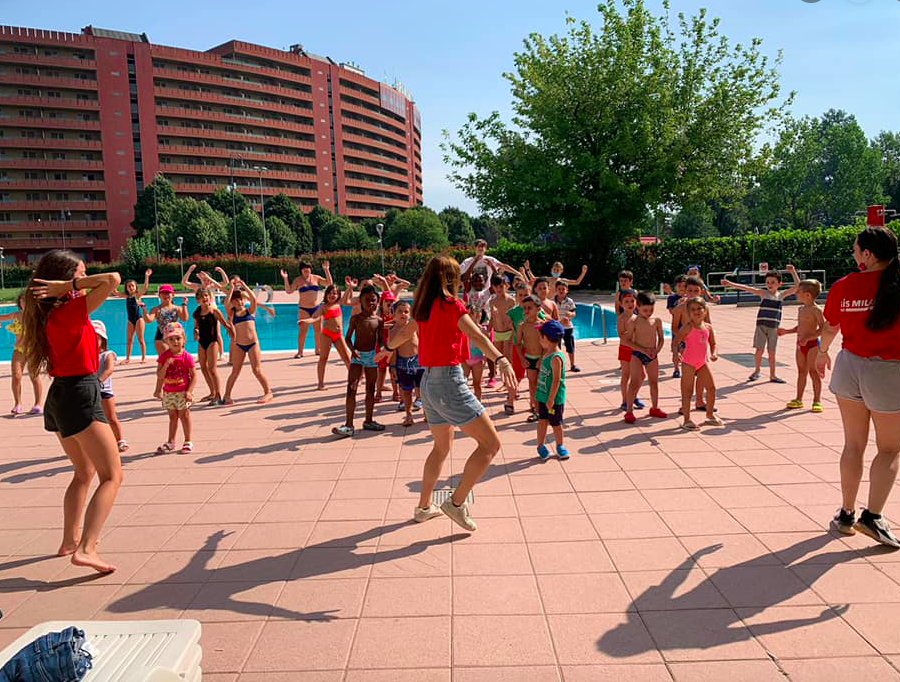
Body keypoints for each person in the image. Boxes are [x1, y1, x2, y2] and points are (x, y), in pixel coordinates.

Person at [378, 255, 516, 532]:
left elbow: (404, 334)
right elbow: (477, 336)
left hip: (428, 383)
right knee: (490, 445)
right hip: (448, 383)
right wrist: (501, 359)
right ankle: (455, 503)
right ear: (451, 278)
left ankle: (423, 508)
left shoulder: (423, 307)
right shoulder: (452, 306)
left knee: (441, 448)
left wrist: (389, 348)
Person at [22, 250, 122, 573]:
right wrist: (69, 286)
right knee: (112, 475)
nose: (83, 281)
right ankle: (87, 548)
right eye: (79, 275)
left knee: (84, 473)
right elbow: (112, 280)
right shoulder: (70, 311)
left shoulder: (53, 314)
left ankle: (69, 541)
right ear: (62, 281)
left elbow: (105, 283)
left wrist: (66, 288)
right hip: (79, 394)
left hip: (62, 396)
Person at [816, 227, 900, 548]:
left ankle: (847, 514)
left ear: (868, 254)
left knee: (853, 444)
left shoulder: (843, 286)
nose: (853, 254)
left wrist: (822, 353)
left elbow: (830, 328)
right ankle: (873, 516)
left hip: (848, 366)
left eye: (855, 249)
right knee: (890, 448)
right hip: (888, 370)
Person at [721, 265, 800, 383]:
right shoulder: (763, 293)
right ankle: (757, 370)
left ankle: (772, 375)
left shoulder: (781, 295)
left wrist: (793, 272)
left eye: (773, 282)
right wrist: (731, 284)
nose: (770, 284)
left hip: (773, 328)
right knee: (759, 350)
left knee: (772, 352)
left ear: (779, 284)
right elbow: (746, 288)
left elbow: (798, 286)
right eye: (768, 282)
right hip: (761, 326)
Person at [332, 285, 383, 438]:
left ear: (378, 301)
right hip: (358, 357)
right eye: (367, 300)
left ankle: (368, 420)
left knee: (370, 389)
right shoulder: (356, 319)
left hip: (372, 358)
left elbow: (379, 340)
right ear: (360, 301)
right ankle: (349, 424)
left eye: (373, 300)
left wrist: (380, 351)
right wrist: (352, 350)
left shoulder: (378, 321)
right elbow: (347, 338)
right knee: (351, 389)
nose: (370, 303)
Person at [222, 279, 274, 405]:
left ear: (243, 300)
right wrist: (232, 289)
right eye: (235, 300)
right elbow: (225, 303)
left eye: (240, 299)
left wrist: (244, 285)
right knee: (235, 371)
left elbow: (254, 300)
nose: (238, 302)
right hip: (239, 345)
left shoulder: (249, 311)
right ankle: (227, 395)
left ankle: (268, 392)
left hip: (252, 344)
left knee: (256, 370)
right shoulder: (232, 314)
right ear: (232, 303)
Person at [673, 297, 722, 430]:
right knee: (687, 392)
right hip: (688, 363)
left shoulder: (708, 327)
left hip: (702, 363)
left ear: (705, 311)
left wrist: (714, 353)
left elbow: (713, 343)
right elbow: (676, 341)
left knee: (711, 388)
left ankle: (710, 415)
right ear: (689, 313)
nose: (697, 311)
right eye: (693, 309)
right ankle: (687, 419)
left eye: (699, 308)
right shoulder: (688, 327)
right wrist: (676, 353)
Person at [778, 279, 825, 412]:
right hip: (800, 344)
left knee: (813, 371)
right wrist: (787, 331)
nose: (796, 294)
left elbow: (823, 328)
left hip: (812, 345)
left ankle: (817, 400)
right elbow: (800, 327)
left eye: (798, 292)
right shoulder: (801, 309)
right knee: (801, 371)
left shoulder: (816, 310)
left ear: (808, 295)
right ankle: (799, 399)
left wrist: (809, 338)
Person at [623, 292, 667, 423]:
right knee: (635, 382)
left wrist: (657, 351)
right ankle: (629, 411)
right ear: (638, 308)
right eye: (645, 310)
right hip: (637, 354)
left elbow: (661, 339)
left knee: (654, 382)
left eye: (651, 310)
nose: (648, 312)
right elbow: (627, 341)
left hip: (652, 354)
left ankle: (654, 407)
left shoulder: (657, 320)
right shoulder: (633, 321)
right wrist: (643, 350)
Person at [153, 322, 196, 454]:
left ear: (183, 339)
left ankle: (188, 441)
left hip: (182, 392)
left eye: (178, 338)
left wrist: (189, 391)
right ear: (166, 341)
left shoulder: (186, 356)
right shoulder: (164, 357)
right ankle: (171, 441)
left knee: (184, 415)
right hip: (169, 392)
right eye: (171, 339)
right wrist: (165, 365)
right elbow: (160, 375)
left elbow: (194, 376)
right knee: (172, 417)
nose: (175, 341)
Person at [298, 284, 351, 389]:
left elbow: (346, 298)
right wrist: (306, 321)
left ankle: (353, 379)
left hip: (338, 335)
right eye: (330, 293)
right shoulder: (323, 307)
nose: (332, 295)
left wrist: (349, 287)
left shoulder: (339, 303)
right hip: (327, 334)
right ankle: (320, 383)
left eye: (335, 293)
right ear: (326, 294)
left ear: (338, 295)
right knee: (323, 358)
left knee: (347, 358)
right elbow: (315, 317)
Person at [672, 276, 713, 412]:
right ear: (685, 291)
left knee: (701, 374)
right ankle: (685, 405)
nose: (693, 294)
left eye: (696, 291)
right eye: (690, 291)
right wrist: (682, 339)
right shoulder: (680, 308)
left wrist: (709, 343)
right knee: (688, 377)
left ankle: (700, 400)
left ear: (701, 292)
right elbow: (674, 328)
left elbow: (708, 325)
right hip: (686, 344)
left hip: (700, 345)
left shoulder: (704, 308)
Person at [1, 293, 43, 415]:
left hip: (33, 350)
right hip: (19, 350)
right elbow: (2, 317)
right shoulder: (16, 315)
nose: (24, 303)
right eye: (22, 301)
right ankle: (17, 403)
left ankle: (38, 404)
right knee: (16, 376)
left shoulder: (37, 317)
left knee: (34, 376)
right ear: (19, 304)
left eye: (27, 301)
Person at [281, 259, 332, 358]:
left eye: (308, 269)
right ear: (301, 270)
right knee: (302, 331)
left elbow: (329, 283)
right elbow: (289, 290)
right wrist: (285, 279)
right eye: (304, 269)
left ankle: (318, 349)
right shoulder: (298, 280)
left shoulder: (316, 278)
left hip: (316, 308)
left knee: (318, 330)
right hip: (303, 309)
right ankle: (300, 352)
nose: (307, 271)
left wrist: (326, 270)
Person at [534, 320, 569, 460]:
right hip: (543, 396)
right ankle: (540, 446)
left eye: (540, 336)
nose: (539, 339)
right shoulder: (547, 353)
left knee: (556, 423)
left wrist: (551, 399)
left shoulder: (555, 358)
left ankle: (560, 446)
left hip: (553, 399)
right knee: (542, 421)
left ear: (546, 339)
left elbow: (556, 380)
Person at [192, 286, 232, 405]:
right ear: (197, 300)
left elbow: (225, 325)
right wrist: (195, 331)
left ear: (210, 298)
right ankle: (212, 392)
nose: (204, 298)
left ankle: (218, 396)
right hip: (202, 341)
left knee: (212, 369)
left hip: (212, 341)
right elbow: (196, 326)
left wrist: (232, 331)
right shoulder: (197, 313)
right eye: (201, 297)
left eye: (206, 296)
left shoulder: (214, 311)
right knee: (203, 368)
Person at [92, 320, 127, 452]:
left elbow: (109, 369)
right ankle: (100, 442)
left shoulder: (108, 354)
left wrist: (98, 381)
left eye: (97, 339)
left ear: (103, 340)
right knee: (94, 420)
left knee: (111, 418)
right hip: (91, 392)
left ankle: (120, 440)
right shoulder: (87, 356)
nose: (94, 342)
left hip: (104, 391)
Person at [390, 300, 424, 426]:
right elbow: (392, 350)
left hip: (419, 362)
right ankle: (409, 415)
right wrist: (393, 367)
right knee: (406, 391)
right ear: (394, 314)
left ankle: (427, 413)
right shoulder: (393, 331)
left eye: (406, 312)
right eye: (400, 311)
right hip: (403, 365)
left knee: (423, 390)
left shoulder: (414, 327)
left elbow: (422, 342)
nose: (403, 314)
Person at [490, 274, 518, 413]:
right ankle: (507, 384)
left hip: (508, 333)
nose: (499, 289)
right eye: (496, 287)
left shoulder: (511, 301)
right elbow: (491, 320)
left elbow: (515, 318)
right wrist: (487, 329)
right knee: (500, 362)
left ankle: (511, 388)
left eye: (501, 286)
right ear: (493, 288)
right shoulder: (492, 302)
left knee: (508, 361)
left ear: (506, 286)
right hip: (497, 333)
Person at [516, 295, 544, 423]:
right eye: (524, 308)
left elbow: (547, 344)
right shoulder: (522, 326)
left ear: (538, 309)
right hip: (529, 358)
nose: (526, 310)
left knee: (543, 384)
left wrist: (542, 359)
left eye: (529, 308)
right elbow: (517, 344)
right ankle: (535, 409)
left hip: (542, 358)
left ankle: (545, 407)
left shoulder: (542, 325)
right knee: (532, 384)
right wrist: (522, 359)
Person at [114, 268, 151, 364]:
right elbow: (115, 292)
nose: (131, 287)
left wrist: (146, 276)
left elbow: (145, 288)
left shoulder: (137, 296)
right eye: (129, 286)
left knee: (140, 339)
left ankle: (143, 357)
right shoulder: (126, 296)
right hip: (130, 320)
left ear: (135, 287)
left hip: (139, 319)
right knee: (129, 340)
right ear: (126, 288)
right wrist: (113, 283)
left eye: (132, 286)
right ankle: (127, 358)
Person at [616, 289, 644, 411]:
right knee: (626, 375)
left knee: (641, 376)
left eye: (632, 301)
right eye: (626, 301)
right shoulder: (621, 318)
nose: (629, 304)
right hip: (625, 349)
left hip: (636, 350)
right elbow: (621, 335)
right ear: (621, 304)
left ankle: (633, 395)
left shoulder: (638, 318)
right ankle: (624, 400)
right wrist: (631, 333)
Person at [142, 284, 188, 356]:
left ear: (173, 295)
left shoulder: (177, 308)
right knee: (165, 360)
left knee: (178, 359)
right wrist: (144, 309)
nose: (166, 295)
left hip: (176, 336)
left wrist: (184, 305)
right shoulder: (156, 309)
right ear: (159, 296)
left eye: (168, 293)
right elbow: (148, 320)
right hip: (161, 337)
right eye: (163, 293)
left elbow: (184, 319)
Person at [554, 280, 580, 372]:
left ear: (567, 290)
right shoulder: (552, 301)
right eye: (559, 289)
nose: (561, 290)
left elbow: (574, 313)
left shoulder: (570, 301)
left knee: (570, 346)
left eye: (563, 289)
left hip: (568, 328)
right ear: (555, 290)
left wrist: (571, 314)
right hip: (556, 328)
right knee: (557, 347)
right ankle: (559, 365)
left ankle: (572, 365)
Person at [667, 275, 687, 378]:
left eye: (683, 286)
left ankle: (687, 367)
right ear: (675, 286)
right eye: (679, 285)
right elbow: (672, 312)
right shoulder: (672, 298)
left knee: (685, 350)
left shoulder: (689, 298)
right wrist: (679, 305)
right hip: (676, 327)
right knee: (676, 349)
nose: (681, 288)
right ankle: (676, 369)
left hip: (687, 328)